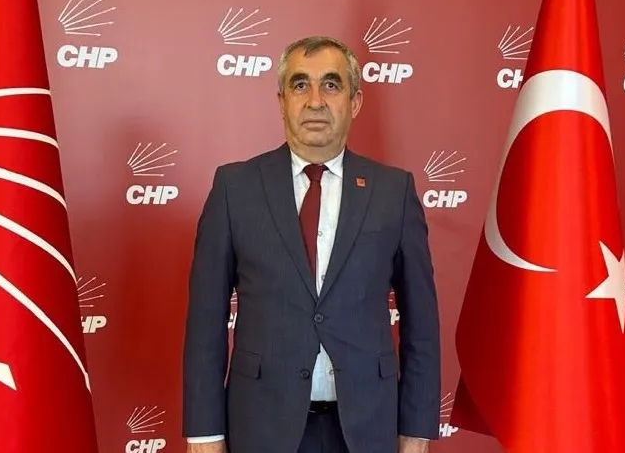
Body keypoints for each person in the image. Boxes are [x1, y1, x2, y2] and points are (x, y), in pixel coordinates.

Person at [182, 36, 441, 453]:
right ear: (281, 100)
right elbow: (205, 321)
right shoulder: (235, 188)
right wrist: (204, 434)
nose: (315, 100)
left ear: (355, 102)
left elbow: (422, 325)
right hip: (261, 426)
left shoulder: (394, 192)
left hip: (367, 428)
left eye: (331, 85)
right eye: (300, 84)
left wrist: (416, 431)